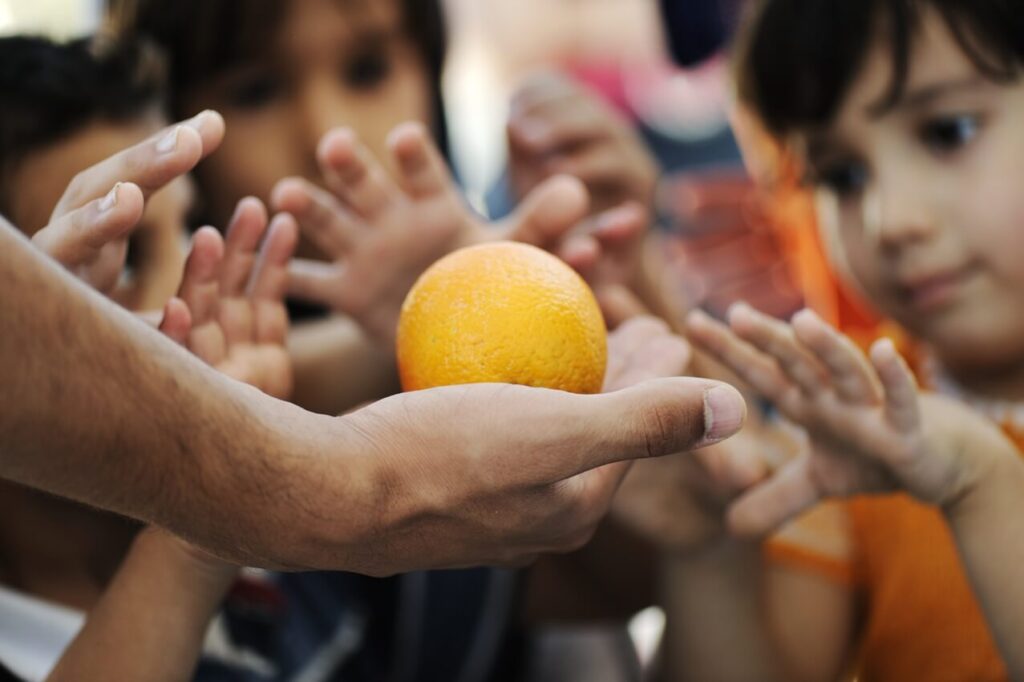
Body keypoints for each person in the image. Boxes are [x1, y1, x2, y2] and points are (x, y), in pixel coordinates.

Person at [643, 0, 1024, 679]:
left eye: (949, 130)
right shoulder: (852, 420)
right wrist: (707, 549)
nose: (891, 220)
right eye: (841, 175)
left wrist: (982, 483)